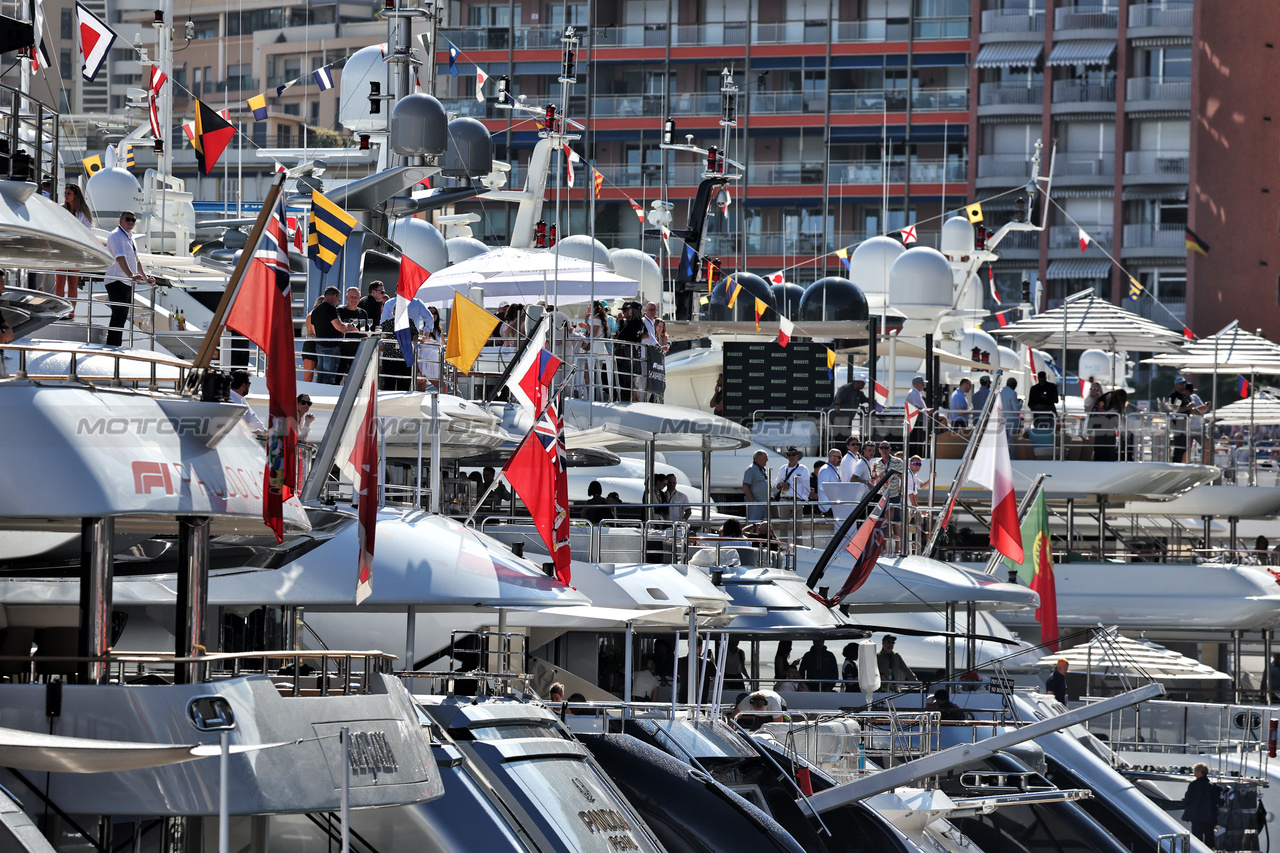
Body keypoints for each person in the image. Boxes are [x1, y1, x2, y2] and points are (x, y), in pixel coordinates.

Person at [103, 211, 153, 347]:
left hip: (125, 281)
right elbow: (120, 257)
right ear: (121, 221)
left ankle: (114, 345)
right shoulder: (116, 235)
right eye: (128, 219)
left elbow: (136, 260)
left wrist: (145, 277)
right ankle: (112, 345)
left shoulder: (130, 237)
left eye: (133, 220)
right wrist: (131, 275)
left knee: (122, 316)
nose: (131, 222)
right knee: (119, 315)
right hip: (116, 281)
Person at [56, 185, 94, 315]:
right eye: (65, 193)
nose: (66, 196)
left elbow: (87, 231)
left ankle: (71, 312)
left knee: (72, 282)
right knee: (59, 281)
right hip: (62, 248)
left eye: (69, 193)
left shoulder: (83, 213)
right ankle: (59, 311)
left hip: (76, 250)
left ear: (76, 196)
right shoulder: (60, 209)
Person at [311, 286, 357, 384]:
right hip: (331, 347)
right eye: (338, 299)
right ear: (334, 296)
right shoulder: (330, 309)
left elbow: (314, 332)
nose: (338, 302)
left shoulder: (315, 311)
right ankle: (326, 397)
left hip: (320, 346)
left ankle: (319, 395)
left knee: (321, 375)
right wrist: (348, 326)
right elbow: (340, 327)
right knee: (329, 377)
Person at [1182, 763, 1220, 846]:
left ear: (1199, 772)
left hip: (1197, 818)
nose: (1194, 774)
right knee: (1209, 840)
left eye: (1195, 771)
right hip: (1210, 818)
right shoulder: (1213, 786)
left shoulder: (1193, 785)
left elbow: (1188, 799)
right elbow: (1217, 801)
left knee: (1197, 841)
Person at [337, 286, 370, 377]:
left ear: (359, 298)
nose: (353, 299)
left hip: (357, 350)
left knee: (356, 377)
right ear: (346, 297)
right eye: (351, 297)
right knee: (337, 376)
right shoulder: (340, 311)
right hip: (342, 349)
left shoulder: (363, 313)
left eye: (356, 297)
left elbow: (364, 331)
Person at [616, 302, 646, 401]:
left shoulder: (633, 323)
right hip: (634, 351)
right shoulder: (640, 323)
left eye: (629, 309)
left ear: (632, 310)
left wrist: (621, 325)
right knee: (631, 377)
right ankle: (634, 398)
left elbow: (621, 336)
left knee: (627, 378)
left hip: (627, 352)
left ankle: (629, 398)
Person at [417, 305, 445, 391]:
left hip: (435, 362)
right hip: (424, 360)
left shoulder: (439, 330)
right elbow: (418, 345)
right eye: (430, 313)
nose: (433, 315)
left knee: (443, 388)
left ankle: (440, 404)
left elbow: (443, 345)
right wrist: (425, 336)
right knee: (421, 391)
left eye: (435, 313)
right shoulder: (422, 329)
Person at [300, 296, 325, 382]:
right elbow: (313, 334)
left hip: (321, 345)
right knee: (308, 375)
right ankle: (303, 394)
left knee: (320, 375)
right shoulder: (312, 315)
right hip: (311, 346)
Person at [742, 450, 771, 522]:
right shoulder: (751, 469)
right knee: (753, 525)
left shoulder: (761, 470)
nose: (767, 460)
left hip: (764, 504)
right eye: (765, 457)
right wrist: (753, 501)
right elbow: (745, 486)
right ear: (758, 458)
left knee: (763, 526)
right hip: (756, 505)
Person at [815, 448, 843, 517]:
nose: (840, 460)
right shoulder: (825, 470)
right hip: (828, 508)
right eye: (839, 457)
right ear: (832, 457)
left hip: (834, 507)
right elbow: (822, 487)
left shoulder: (831, 469)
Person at [905, 376, 929, 455]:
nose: (924, 386)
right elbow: (915, 408)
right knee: (916, 442)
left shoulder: (915, 393)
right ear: (917, 384)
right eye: (923, 384)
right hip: (915, 423)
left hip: (917, 422)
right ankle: (915, 456)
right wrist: (927, 410)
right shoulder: (913, 393)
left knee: (918, 442)